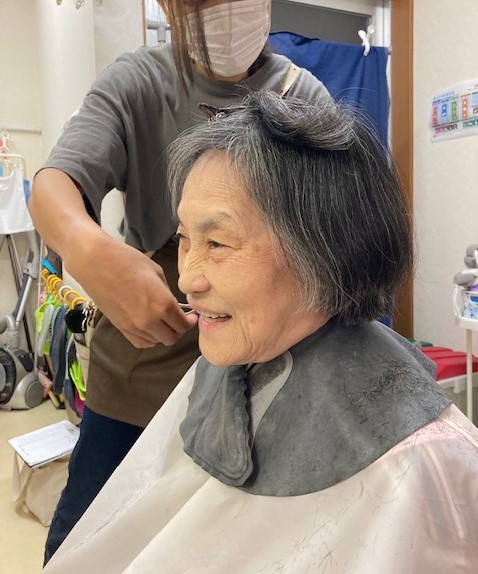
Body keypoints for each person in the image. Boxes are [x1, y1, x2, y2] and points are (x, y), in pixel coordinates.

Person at [41, 91, 478, 574]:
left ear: (326, 251)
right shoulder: (221, 368)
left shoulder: (421, 461)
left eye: (217, 242)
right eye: (184, 239)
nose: (187, 279)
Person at [28, 0, 332, 563]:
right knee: (88, 536)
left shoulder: (304, 97)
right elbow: (54, 186)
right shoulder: (139, 83)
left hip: (265, 364)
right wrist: (88, 248)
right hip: (143, 359)